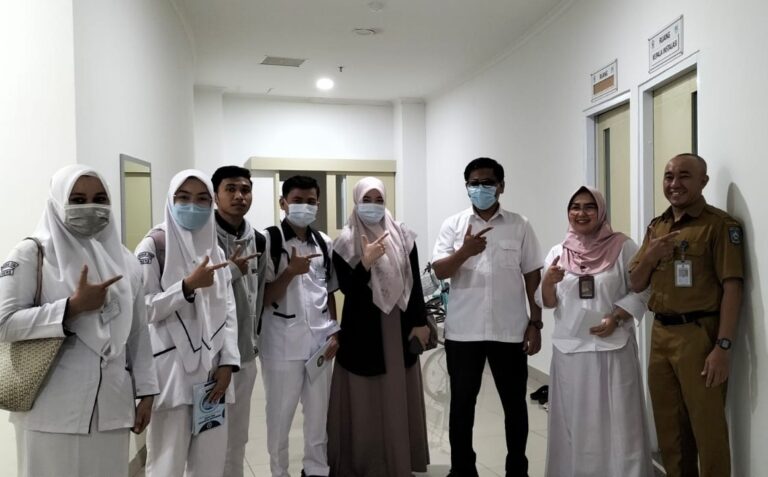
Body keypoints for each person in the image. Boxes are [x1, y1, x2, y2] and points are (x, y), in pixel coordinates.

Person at [0, 165, 158, 477]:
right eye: (77, 200)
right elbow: (4, 323)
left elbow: (138, 333)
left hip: (112, 409)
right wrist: (70, 308)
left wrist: (147, 391)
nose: (90, 207)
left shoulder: (125, 260)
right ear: (58, 202)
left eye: (99, 199)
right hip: (51, 409)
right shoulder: (32, 253)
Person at [629, 153, 744, 477]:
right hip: (660, 335)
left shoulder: (719, 226)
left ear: (703, 181)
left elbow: (733, 288)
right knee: (670, 430)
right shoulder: (658, 226)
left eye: (684, 176)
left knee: (708, 430)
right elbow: (636, 282)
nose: (674, 184)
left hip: (699, 336)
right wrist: (650, 256)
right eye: (669, 176)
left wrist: (723, 346)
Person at [432, 157, 542, 477]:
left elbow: (532, 275)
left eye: (487, 183)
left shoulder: (520, 225)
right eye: (474, 184)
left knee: (514, 405)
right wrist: (464, 251)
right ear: (466, 187)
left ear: (501, 186)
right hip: (463, 332)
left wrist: (535, 323)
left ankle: (517, 469)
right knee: (462, 405)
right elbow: (440, 271)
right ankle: (462, 469)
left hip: (509, 331)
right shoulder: (453, 225)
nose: (480, 189)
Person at [536, 186, 653, 477]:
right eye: (575, 207)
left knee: (620, 421)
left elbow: (643, 289)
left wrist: (617, 317)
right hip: (571, 352)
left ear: (601, 212)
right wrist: (548, 281)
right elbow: (547, 302)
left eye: (589, 207)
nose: (581, 213)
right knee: (575, 421)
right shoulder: (558, 252)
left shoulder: (623, 247)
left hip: (613, 348)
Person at [136, 169, 240, 477]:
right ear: (170, 200)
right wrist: (186, 288)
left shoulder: (214, 247)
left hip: (213, 375)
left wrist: (228, 363)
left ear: (211, 204)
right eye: (183, 198)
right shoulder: (153, 246)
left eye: (201, 199)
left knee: (210, 463)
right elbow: (144, 310)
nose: (192, 206)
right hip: (172, 374)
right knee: (166, 463)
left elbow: (228, 309)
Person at [328, 176, 431, 476]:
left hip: (399, 325)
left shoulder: (402, 235)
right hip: (364, 330)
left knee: (397, 395)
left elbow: (414, 282)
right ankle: (366, 463)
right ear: (356, 201)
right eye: (366, 200)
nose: (373, 206)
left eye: (378, 200)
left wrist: (420, 322)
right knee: (365, 400)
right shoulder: (345, 242)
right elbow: (348, 290)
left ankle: (398, 461)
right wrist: (365, 263)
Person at [259, 175, 339, 477]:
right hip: (281, 345)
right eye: (297, 200)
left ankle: (316, 469)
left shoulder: (324, 243)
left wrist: (334, 330)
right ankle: (279, 472)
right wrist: (290, 272)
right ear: (283, 203)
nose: (304, 206)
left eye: (310, 201)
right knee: (280, 418)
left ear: (317, 204)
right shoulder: (269, 241)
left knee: (318, 417)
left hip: (320, 344)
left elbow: (328, 291)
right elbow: (264, 298)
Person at [211, 166, 267, 477]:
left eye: (245, 189)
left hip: (245, 353)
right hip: (208, 356)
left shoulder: (258, 239)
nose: (239, 196)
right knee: (207, 435)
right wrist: (230, 272)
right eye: (230, 189)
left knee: (237, 436)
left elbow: (260, 294)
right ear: (216, 195)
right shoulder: (201, 237)